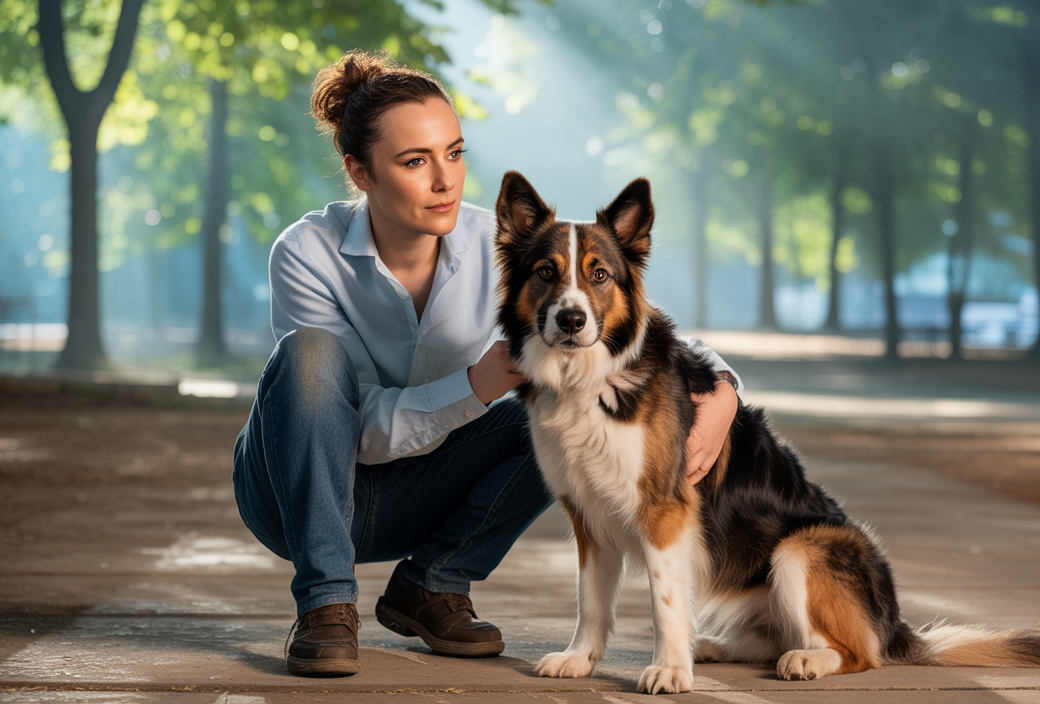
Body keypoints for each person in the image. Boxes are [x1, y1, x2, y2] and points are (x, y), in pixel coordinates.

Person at [231, 49, 742, 678]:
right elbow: (346, 430)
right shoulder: (307, 252)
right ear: (359, 172)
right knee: (310, 355)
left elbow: (632, 321)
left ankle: (433, 584)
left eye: (455, 152)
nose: (446, 180)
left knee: (564, 416)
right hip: (298, 495)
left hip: (421, 492)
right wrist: (475, 385)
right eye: (416, 161)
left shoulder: (508, 244)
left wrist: (724, 392)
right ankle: (326, 604)